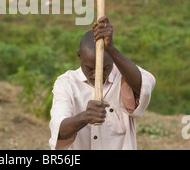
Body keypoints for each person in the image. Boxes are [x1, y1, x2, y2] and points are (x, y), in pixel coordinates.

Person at [49, 16, 156, 150]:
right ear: (79, 56)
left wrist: (111, 48)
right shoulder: (66, 83)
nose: (97, 75)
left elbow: (145, 85)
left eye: (105, 68)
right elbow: (59, 129)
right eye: (89, 68)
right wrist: (85, 117)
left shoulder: (123, 76)